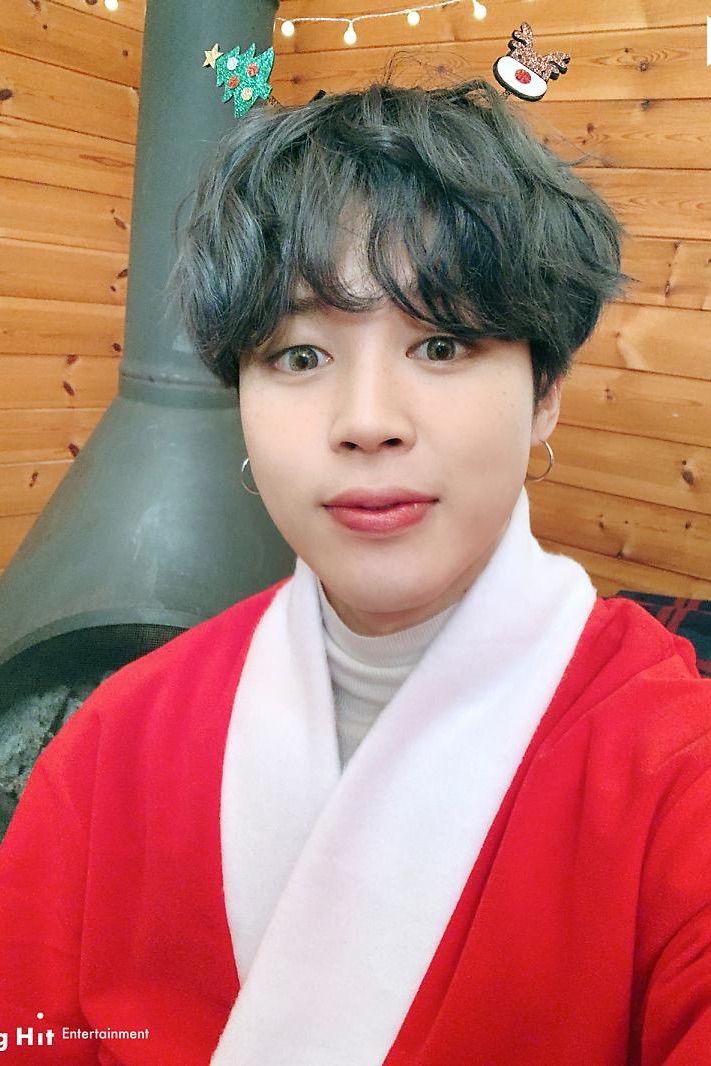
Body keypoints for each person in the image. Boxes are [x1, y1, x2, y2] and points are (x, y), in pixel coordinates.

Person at [0, 77, 710, 1066]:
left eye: (442, 343)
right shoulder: (114, 744)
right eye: (298, 357)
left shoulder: (677, 779)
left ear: (544, 390)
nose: (367, 421)